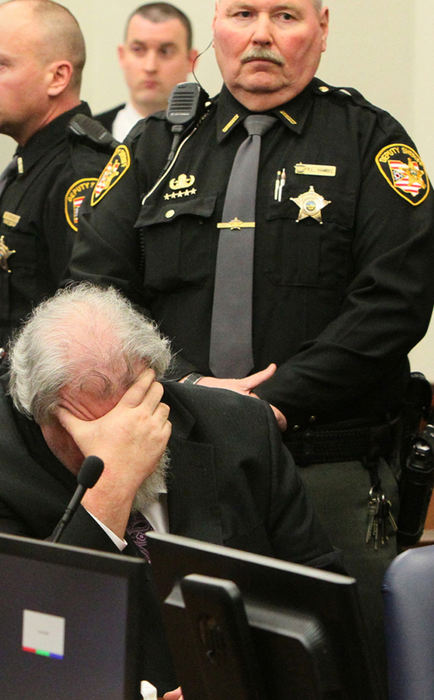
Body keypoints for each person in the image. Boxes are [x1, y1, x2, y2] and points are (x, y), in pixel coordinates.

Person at [68, 0, 434, 667]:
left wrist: (270, 404)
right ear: (215, 25)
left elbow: (396, 303)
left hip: (326, 472)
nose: (262, 34)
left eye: (286, 16)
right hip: (175, 468)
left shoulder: (370, 143)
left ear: (322, 29)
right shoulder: (155, 147)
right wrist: (185, 388)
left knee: (338, 673)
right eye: (243, 12)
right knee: (181, 670)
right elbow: (96, 294)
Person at [0, 283, 339, 695]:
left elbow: (322, 611)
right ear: (37, 414)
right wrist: (110, 486)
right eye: (91, 430)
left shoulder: (241, 429)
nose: (125, 436)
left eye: (137, 409)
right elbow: (12, 655)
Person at [0, 0, 116, 417]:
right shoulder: (31, 164)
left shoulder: (79, 173)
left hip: (40, 419)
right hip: (2, 412)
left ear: (58, 77)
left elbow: (83, 308)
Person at [95, 3, 197, 142]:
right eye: (138, 49)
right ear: (122, 55)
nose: (150, 67)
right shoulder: (85, 140)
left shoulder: (210, 138)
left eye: (165, 51)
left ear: (191, 60)